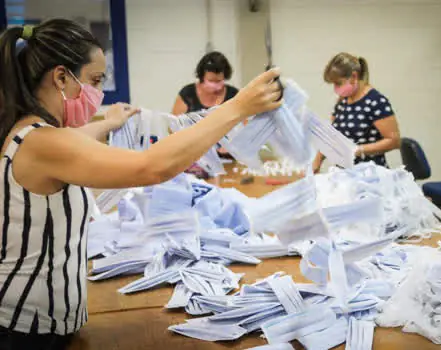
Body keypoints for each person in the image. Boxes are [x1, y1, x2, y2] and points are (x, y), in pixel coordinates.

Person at [0, 19, 282, 349]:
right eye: (94, 81)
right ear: (61, 77)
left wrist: (110, 123)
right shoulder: (42, 143)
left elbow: (79, 138)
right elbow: (151, 167)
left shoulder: (32, 133)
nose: (98, 93)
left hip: (40, 323)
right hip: (22, 331)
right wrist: (236, 107)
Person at [313, 52, 400, 172]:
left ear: (354, 77)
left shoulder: (376, 101)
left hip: (370, 175)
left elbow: (394, 141)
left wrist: (358, 150)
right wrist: (316, 163)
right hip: (344, 174)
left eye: (338, 83)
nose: (335, 88)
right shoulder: (342, 102)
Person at [171, 51, 239, 115]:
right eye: (210, 81)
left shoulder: (234, 95)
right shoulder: (187, 94)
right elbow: (173, 125)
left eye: (218, 81)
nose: (214, 85)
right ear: (202, 77)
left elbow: (245, 123)